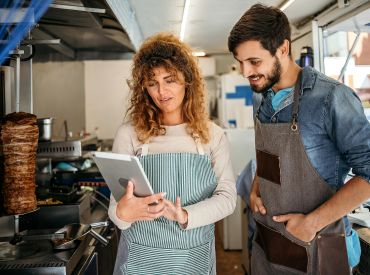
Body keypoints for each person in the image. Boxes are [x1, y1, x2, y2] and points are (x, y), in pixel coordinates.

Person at [228, 4, 370, 275]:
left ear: (283, 48)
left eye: (254, 61)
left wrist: (312, 223)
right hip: (272, 242)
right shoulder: (262, 96)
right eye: (241, 62)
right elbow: (270, 154)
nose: (245, 72)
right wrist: (258, 185)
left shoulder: (331, 98)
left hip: (320, 243)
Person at [108, 33, 236, 275]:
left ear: (187, 82)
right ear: (144, 87)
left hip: (193, 257)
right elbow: (117, 207)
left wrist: (186, 214)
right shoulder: (130, 134)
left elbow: (228, 197)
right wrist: (122, 214)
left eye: (170, 80)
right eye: (152, 82)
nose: (161, 91)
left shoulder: (212, 135)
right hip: (140, 259)